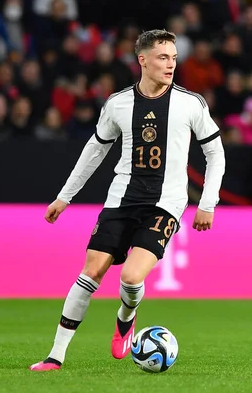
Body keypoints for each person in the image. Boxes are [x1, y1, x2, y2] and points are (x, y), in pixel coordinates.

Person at [30, 29, 226, 371]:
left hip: (166, 203)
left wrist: (208, 202)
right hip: (122, 199)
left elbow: (215, 153)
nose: (170, 65)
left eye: (174, 58)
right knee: (91, 271)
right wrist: (65, 197)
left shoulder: (190, 103)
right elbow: (95, 150)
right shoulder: (118, 103)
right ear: (143, 60)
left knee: (132, 278)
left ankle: (126, 317)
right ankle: (55, 357)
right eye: (163, 58)